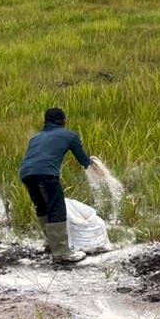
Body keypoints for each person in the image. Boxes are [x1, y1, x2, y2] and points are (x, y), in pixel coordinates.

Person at [18, 107, 97, 265]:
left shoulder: (35, 138)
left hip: (26, 174)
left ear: (45, 121)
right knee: (56, 208)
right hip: (46, 174)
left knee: (42, 206)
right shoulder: (69, 135)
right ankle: (62, 253)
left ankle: (51, 244)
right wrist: (92, 162)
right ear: (64, 121)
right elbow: (83, 160)